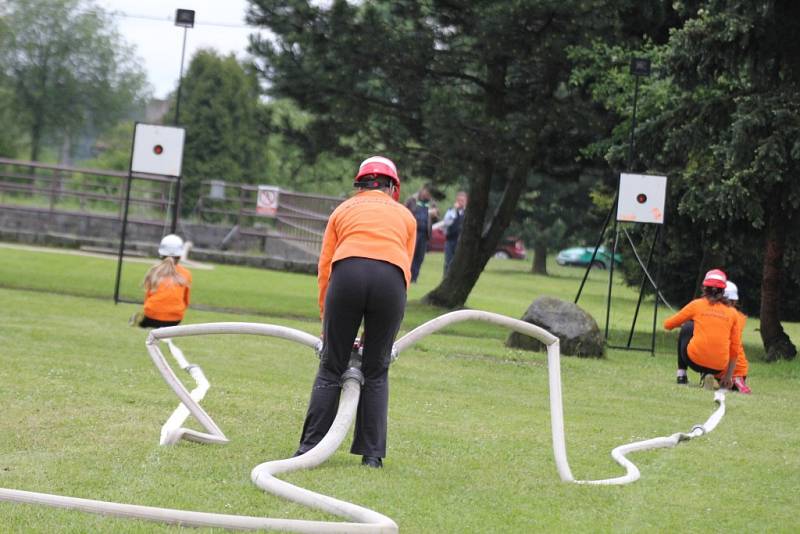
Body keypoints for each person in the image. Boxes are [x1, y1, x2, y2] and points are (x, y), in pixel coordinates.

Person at [296, 156, 416, 468]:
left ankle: (309, 449)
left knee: (332, 366)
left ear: (359, 184)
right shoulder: (406, 217)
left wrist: (328, 323)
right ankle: (372, 456)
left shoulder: (342, 211)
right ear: (392, 187)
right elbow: (405, 272)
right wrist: (379, 331)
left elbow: (325, 268)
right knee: (376, 369)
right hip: (391, 282)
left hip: (346, 274)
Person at [663, 268, 741, 389]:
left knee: (688, 327)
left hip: (694, 361)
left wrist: (687, 322)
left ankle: (681, 374)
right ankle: (707, 376)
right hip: (719, 367)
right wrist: (728, 376)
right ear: (723, 290)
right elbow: (735, 348)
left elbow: (667, 325)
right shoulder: (733, 313)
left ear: (704, 288)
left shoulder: (696, 304)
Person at [132, 234, 192, 328]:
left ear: (161, 254)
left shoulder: (154, 270)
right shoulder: (186, 274)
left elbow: (147, 297)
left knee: (141, 323)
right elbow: (186, 301)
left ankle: (139, 323)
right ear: (180, 255)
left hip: (151, 317)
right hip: (175, 319)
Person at [405, 184, 438, 282]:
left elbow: (436, 219)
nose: (428, 195)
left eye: (430, 194)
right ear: (422, 190)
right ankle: (407, 275)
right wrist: (428, 213)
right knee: (410, 255)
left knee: (420, 257)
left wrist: (435, 215)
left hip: (424, 234)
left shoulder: (432, 203)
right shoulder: (412, 200)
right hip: (413, 232)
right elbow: (406, 213)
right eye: (427, 192)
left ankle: (414, 278)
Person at [724, 281, 752, 394]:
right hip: (741, 367)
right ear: (735, 301)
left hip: (722, 365)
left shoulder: (719, 315)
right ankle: (737, 380)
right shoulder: (740, 317)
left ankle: (711, 377)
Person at [442, 191, 467, 275]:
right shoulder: (450, 211)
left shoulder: (468, 213)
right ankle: (445, 278)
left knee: (459, 263)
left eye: (462, 201)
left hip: (461, 242)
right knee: (448, 262)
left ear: (466, 201)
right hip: (450, 240)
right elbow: (446, 222)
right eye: (459, 200)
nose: (461, 202)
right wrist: (454, 210)